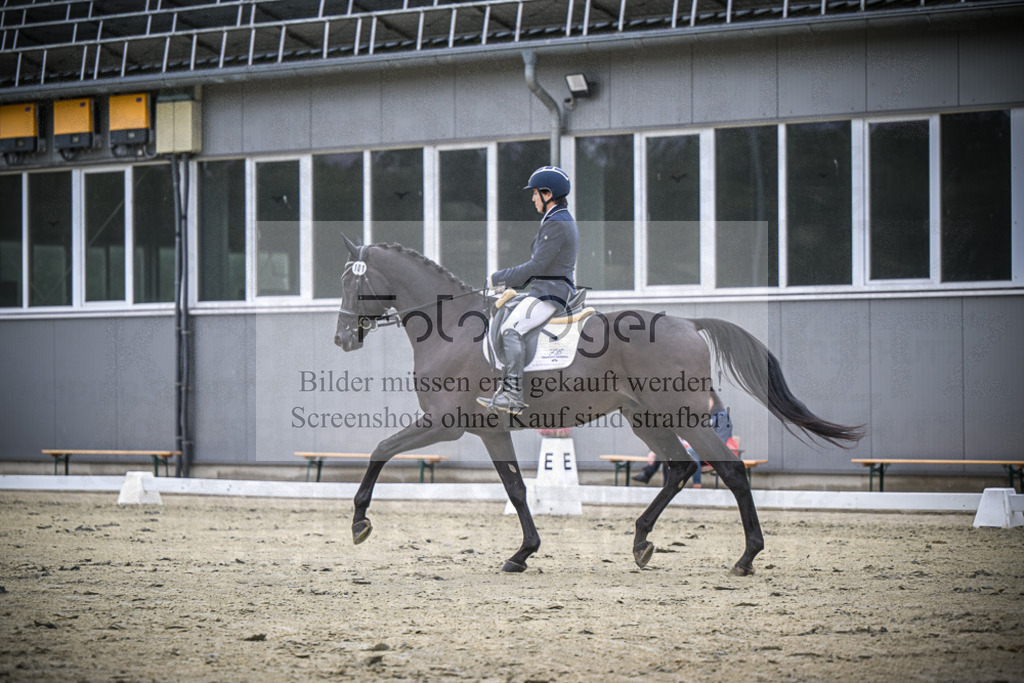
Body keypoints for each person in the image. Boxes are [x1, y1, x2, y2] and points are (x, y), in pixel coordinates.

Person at [477, 166, 579, 415]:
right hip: (547, 288)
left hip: (551, 292)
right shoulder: (559, 218)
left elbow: (536, 267)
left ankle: (512, 394)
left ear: (548, 193)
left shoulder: (556, 223)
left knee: (511, 328)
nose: (533, 199)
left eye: (535, 193)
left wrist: (498, 278)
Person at [632, 399, 736, 485]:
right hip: (696, 452)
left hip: (712, 455)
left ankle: (695, 486)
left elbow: (720, 441)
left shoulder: (721, 417)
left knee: (688, 450)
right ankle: (667, 485)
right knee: (669, 451)